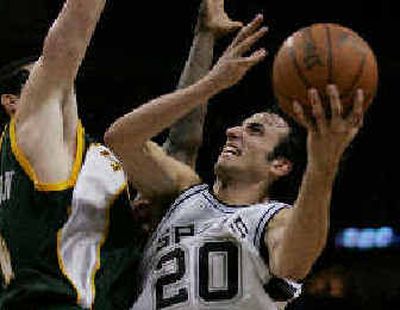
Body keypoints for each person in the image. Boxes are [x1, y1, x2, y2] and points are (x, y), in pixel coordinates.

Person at [104, 12, 367, 309]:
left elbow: (294, 263)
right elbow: (121, 140)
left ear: (278, 165)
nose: (232, 132)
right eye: (238, 126)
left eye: (254, 131)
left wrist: (323, 165)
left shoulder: (273, 219)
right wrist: (212, 83)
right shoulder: (181, 193)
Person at [0, 0, 242, 309]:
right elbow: (67, 40)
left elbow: (179, 156)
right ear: (11, 102)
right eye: (37, 76)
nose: (59, 79)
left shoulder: (72, 160)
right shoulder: (34, 136)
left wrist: (204, 39)